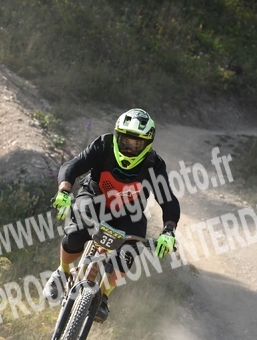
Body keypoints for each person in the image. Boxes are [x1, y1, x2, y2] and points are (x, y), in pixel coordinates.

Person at [43, 108, 180, 322]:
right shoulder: (103, 145)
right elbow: (73, 166)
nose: (129, 149)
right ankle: (63, 272)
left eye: (137, 144)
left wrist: (169, 231)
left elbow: (168, 199)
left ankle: (102, 296)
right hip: (94, 198)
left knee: (129, 250)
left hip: (129, 212)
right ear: (117, 136)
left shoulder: (154, 164)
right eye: (125, 141)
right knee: (77, 231)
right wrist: (64, 191)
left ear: (148, 144)